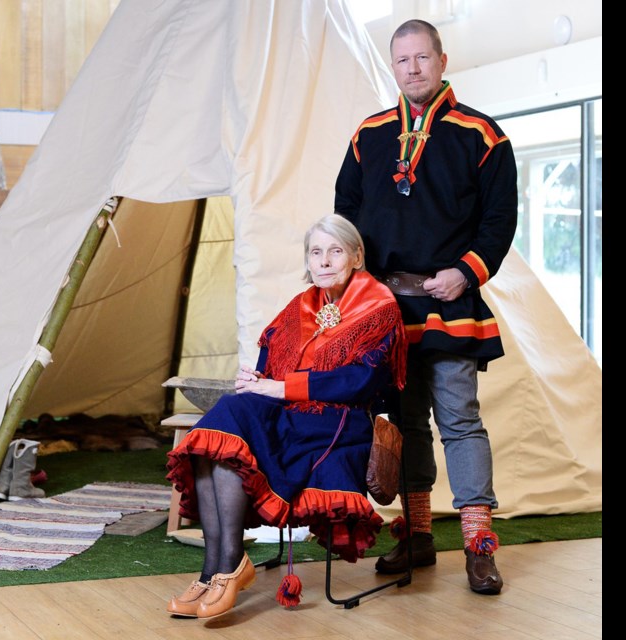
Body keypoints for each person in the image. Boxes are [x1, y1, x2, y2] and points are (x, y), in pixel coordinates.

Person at [334, 19, 518, 596]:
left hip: (450, 303)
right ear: (392, 67)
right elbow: (346, 213)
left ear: (441, 59)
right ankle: (416, 536)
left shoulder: (481, 135)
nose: (412, 69)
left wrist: (464, 271)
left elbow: (499, 220)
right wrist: (357, 287)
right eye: (401, 60)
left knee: (459, 421)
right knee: (407, 423)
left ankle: (478, 546)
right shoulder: (369, 134)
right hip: (387, 308)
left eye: (421, 58)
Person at [165, 213, 407, 618]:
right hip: (293, 414)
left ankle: (224, 567)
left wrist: (281, 387)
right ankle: (216, 569)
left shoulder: (379, 307)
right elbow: (270, 363)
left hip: (338, 422)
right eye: (316, 252)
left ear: (356, 257)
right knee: (223, 435)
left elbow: (360, 381)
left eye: (336, 251)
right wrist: (257, 377)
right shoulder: (301, 305)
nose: (325, 261)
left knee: (231, 419)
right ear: (308, 261)